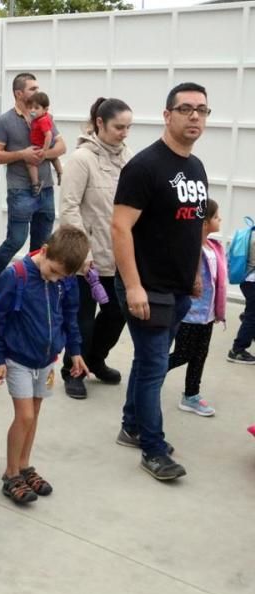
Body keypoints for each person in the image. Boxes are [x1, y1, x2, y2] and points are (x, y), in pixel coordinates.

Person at [111, 82, 210, 482]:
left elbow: (195, 224)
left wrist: (196, 273)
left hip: (178, 288)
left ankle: (132, 424)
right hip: (146, 286)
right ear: (167, 115)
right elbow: (120, 227)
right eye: (185, 109)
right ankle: (153, 448)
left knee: (148, 362)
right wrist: (133, 286)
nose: (194, 116)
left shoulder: (196, 166)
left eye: (201, 110)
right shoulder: (145, 166)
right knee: (153, 367)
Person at [0, 225, 89, 504]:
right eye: (54, 271)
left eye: (63, 276)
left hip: (46, 360)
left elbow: (71, 316)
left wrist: (76, 350)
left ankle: (24, 466)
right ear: (44, 251)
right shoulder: (16, 276)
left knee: (34, 414)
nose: (57, 279)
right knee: (25, 416)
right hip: (18, 359)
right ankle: (10, 474)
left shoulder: (66, 281)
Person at [59, 97, 134, 399]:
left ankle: (95, 360)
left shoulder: (128, 157)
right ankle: (72, 371)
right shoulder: (81, 159)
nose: (124, 133)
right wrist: (82, 253)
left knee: (117, 314)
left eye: (128, 127)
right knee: (82, 321)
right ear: (100, 124)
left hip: (118, 255)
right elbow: (68, 207)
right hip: (87, 259)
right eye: (119, 127)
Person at [0, 73, 66, 294]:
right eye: (32, 88)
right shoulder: (5, 121)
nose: (37, 91)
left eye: (37, 87)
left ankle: (32, 286)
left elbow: (62, 147)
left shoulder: (45, 115)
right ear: (18, 93)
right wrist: (22, 154)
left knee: (42, 243)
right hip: (21, 190)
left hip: (46, 188)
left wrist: (43, 154)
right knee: (16, 240)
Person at [167, 200, 226, 417]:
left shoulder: (213, 246)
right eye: (216, 216)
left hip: (207, 315)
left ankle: (191, 396)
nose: (220, 219)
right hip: (191, 314)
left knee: (200, 355)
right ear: (203, 222)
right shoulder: (190, 247)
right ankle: (149, 376)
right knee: (182, 354)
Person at [227, 216, 255, 364]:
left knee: (251, 314)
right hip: (252, 281)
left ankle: (247, 321)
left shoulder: (251, 232)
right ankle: (237, 350)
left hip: (247, 281)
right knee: (252, 316)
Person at [26, 92, 62, 196]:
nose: (32, 110)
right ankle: (60, 172)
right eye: (31, 107)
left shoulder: (42, 120)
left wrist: (44, 150)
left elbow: (49, 135)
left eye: (36, 108)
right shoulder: (40, 118)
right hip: (44, 144)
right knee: (54, 158)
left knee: (31, 163)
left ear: (45, 109)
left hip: (41, 145)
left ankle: (35, 183)